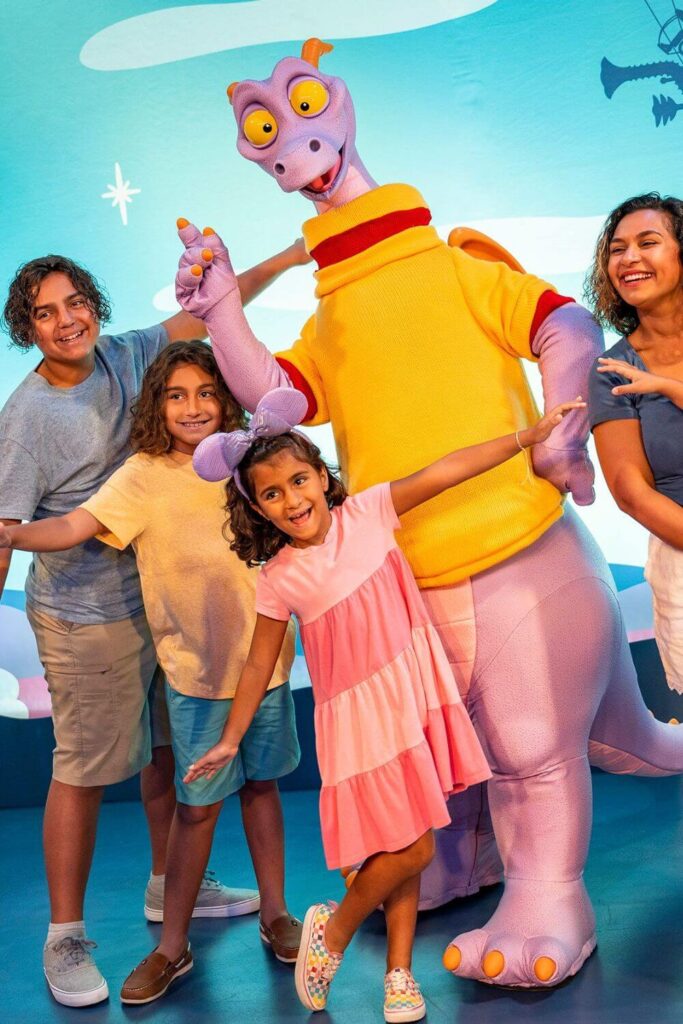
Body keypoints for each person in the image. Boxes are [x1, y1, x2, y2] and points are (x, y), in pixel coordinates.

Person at [184, 387, 585, 1022]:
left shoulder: (366, 515)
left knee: (410, 839)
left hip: (410, 697)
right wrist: (231, 738)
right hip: (355, 724)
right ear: (256, 508)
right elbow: (260, 662)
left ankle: (398, 976)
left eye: (299, 481)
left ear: (321, 476)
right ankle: (336, 930)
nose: (292, 501)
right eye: (272, 494)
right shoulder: (279, 576)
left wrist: (524, 438)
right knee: (412, 846)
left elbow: (443, 471)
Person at [0, 239, 308, 1007]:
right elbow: (17, 527)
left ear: (94, 308)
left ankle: (179, 884)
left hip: (174, 625)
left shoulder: (128, 355)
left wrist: (291, 256)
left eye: (75, 304)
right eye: (45, 314)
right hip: (88, 618)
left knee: (171, 762)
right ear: (26, 328)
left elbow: (202, 314)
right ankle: (66, 934)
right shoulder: (28, 420)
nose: (66, 322)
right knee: (83, 767)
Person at [587, 192, 683, 693]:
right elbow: (631, 492)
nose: (629, 259)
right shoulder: (612, 372)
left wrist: (668, 387)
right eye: (617, 249)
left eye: (648, 242)